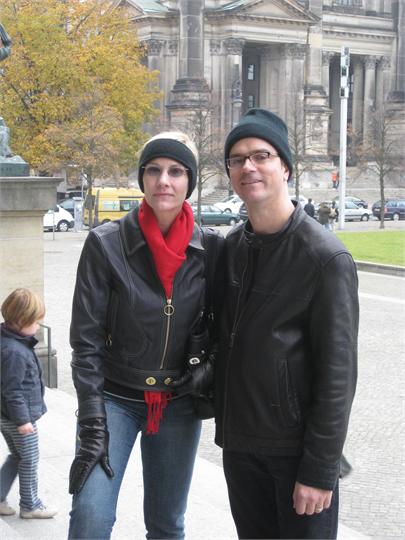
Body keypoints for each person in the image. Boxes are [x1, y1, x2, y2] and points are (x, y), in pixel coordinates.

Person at [68, 131, 223, 540]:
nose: (163, 181)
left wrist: (209, 366)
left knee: (167, 524)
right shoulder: (105, 244)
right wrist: (92, 420)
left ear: (190, 181)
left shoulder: (211, 248)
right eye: (153, 170)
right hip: (115, 399)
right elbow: (85, 342)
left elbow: (228, 325)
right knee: (91, 516)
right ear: (142, 179)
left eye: (175, 171)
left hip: (178, 402)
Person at [215, 108, 359, 540]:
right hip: (241, 448)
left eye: (261, 155)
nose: (248, 166)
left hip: (295, 455)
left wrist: (320, 469)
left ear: (285, 168)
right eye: (237, 159)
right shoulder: (232, 248)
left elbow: (338, 377)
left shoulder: (326, 257)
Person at [0, 288, 57, 519]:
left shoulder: (8, 340)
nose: (38, 326)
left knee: (17, 456)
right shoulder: (15, 351)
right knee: (30, 459)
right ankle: (30, 505)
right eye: (35, 322)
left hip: (6, 415)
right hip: (17, 418)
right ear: (21, 321)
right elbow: (12, 390)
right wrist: (23, 421)